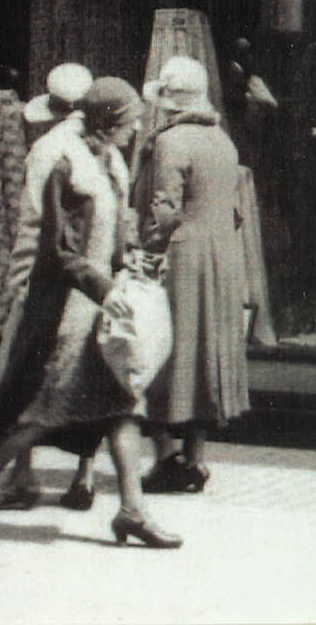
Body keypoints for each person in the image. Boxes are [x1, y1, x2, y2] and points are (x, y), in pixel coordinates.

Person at [0, 76, 180, 547]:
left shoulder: (109, 160)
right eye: (130, 121)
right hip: (67, 313)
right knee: (44, 410)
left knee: (122, 407)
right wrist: (105, 287)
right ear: (110, 121)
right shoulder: (65, 163)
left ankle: (133, 510)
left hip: (99, 308)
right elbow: (59, 250)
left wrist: (133, 258)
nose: (134, 130)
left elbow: (113, 235)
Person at [136, 54, 250, 493]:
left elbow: (164, 210)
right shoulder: (222, 141)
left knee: (166, 350)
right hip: (221, 256)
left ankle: (166, 457)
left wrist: (145, 250)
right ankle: (196, 458)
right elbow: (236, 211)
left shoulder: (170, 141)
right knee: (207, 351)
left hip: (182, 257)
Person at [0, 63, 99, 512]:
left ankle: (21, 474)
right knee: (86, 376)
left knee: (24, 371)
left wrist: (19, 281)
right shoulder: (103, 150)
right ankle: (84, 475)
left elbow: (33, 224)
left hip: (48, 278)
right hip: (90, 280)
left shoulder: (45, 151)